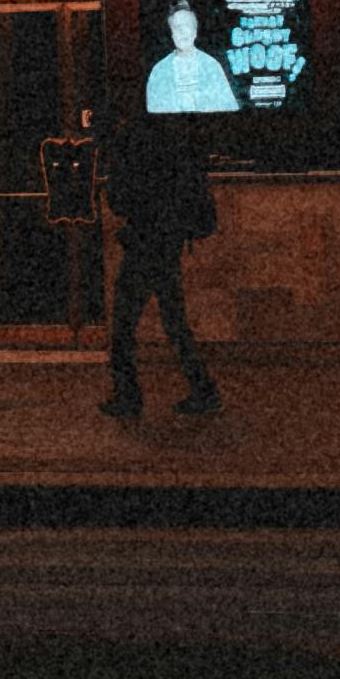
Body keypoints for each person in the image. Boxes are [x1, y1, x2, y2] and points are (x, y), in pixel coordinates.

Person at [103, 93, 221, 428]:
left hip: (143, 241)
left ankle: (128, 394)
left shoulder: (132, 140)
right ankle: (202, 387)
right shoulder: (176, 138)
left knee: (124, 324)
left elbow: (121, 199)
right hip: (168, 240)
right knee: (174, 320)